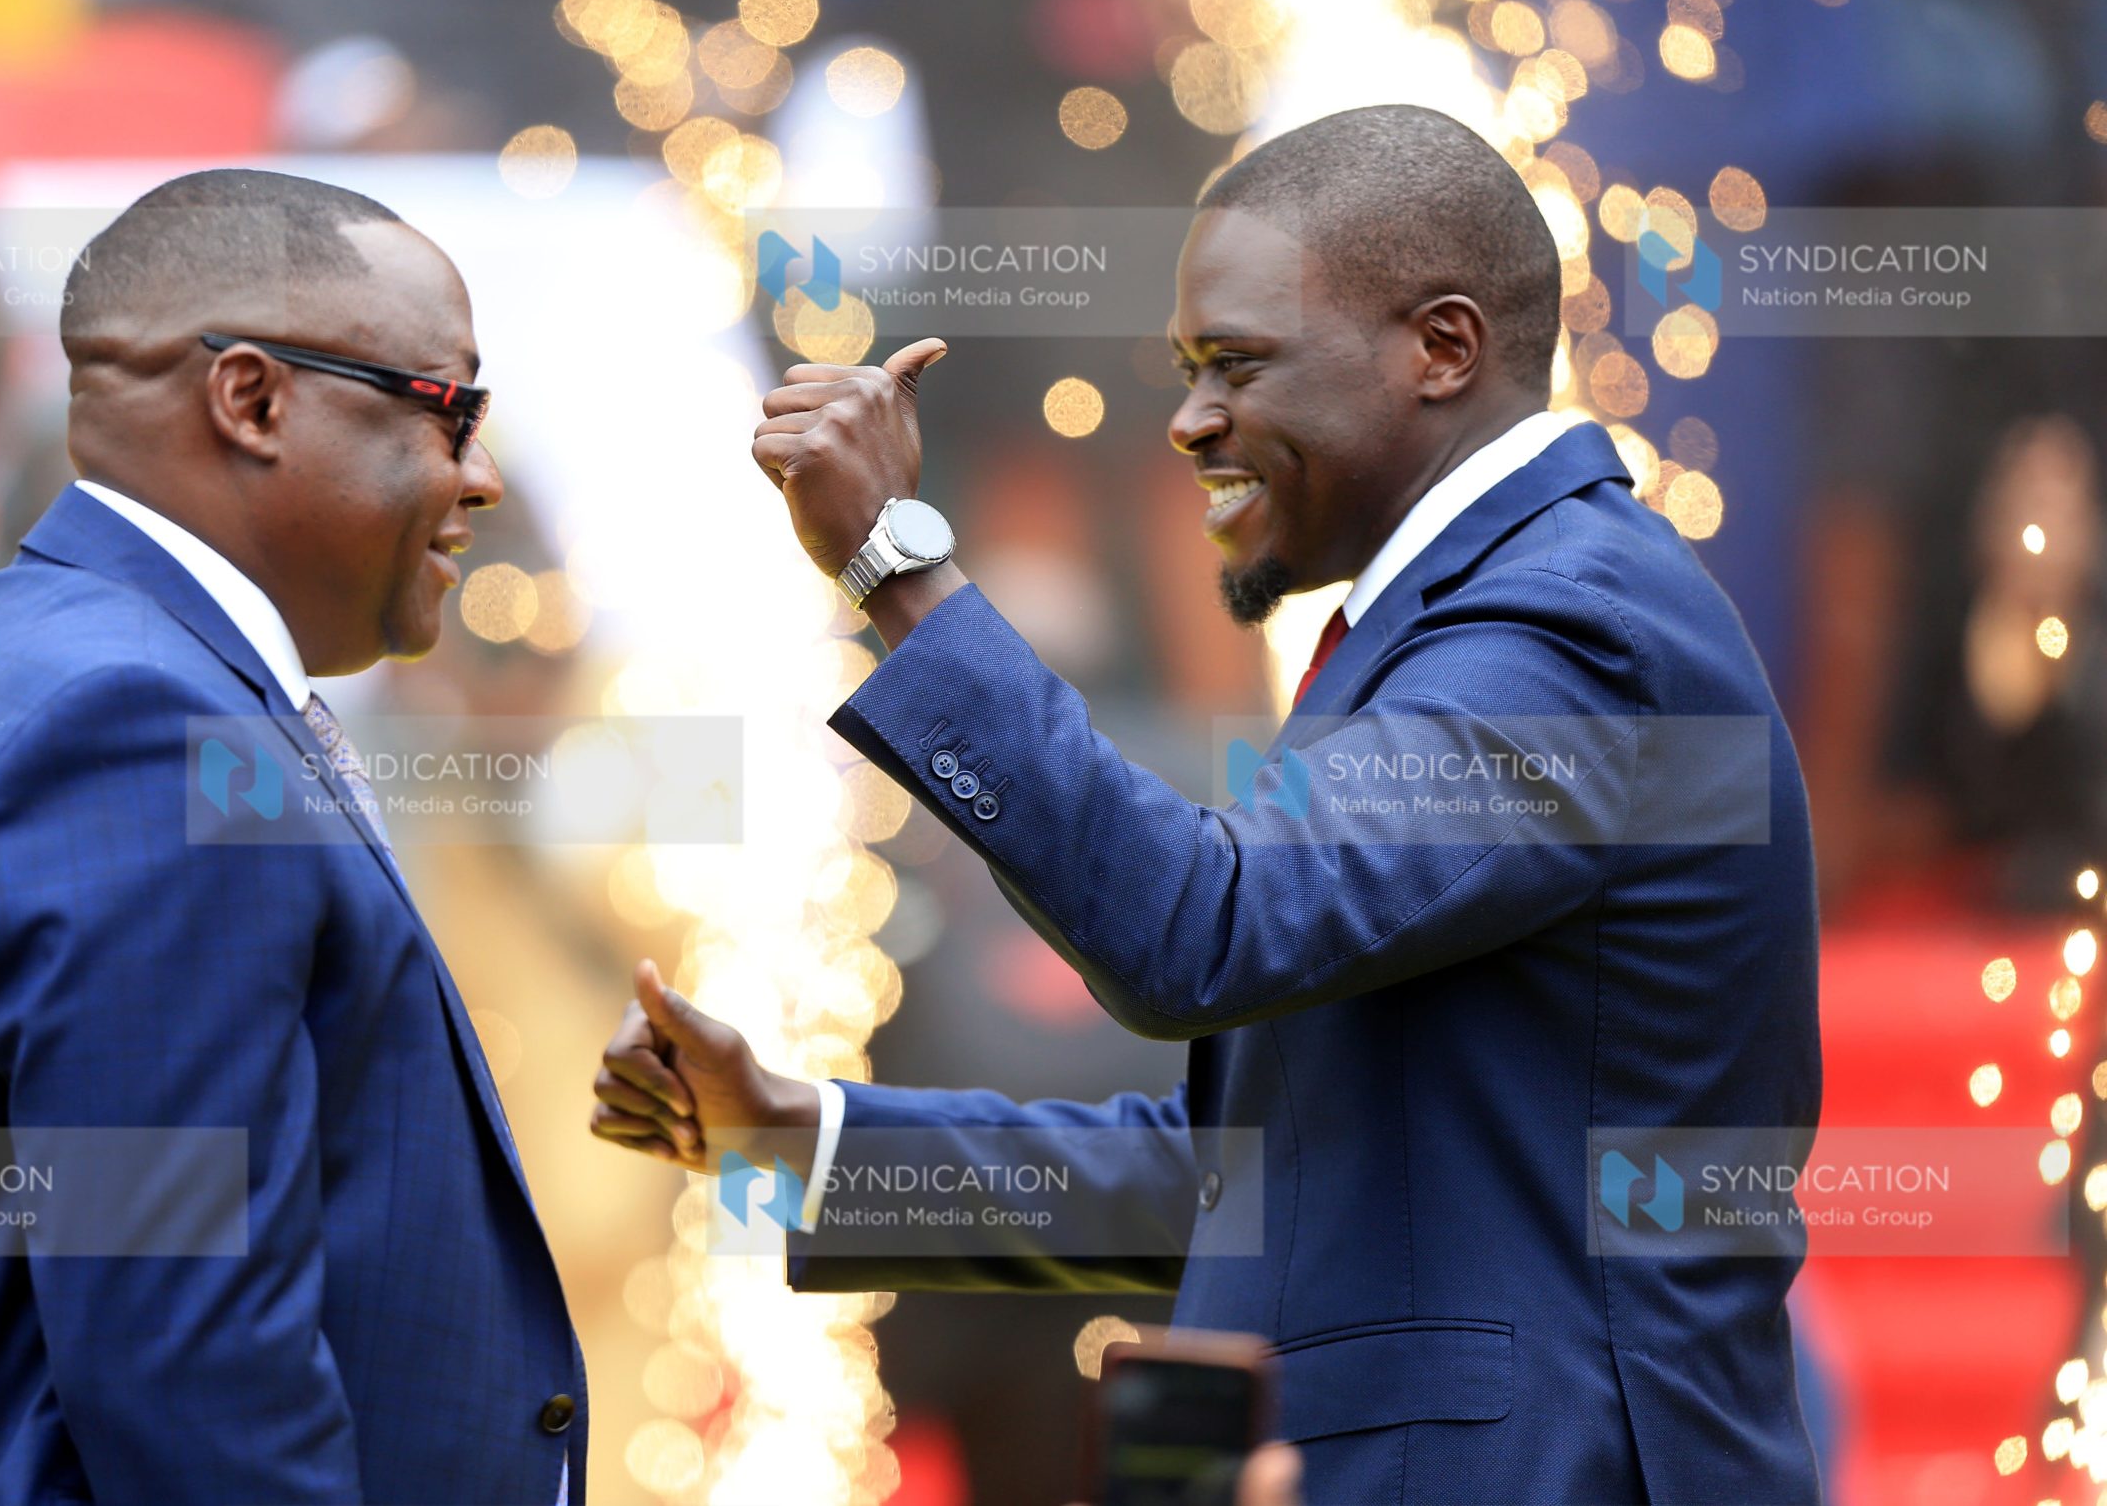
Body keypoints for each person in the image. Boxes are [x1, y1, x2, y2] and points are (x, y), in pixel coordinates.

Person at [592, 105, 1822, 1503]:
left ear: (1443, 350)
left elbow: (1202, 932)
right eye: (1185, 371)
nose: (1188, 423)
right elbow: (1254, 1173)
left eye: (1237, 367)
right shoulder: (1457, 631)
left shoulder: (1570, 634)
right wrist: (808, 1142)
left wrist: (895, 566)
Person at [0, 169, 587, 1503]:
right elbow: (189, 1380)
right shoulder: (141, 728)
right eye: (449, 410)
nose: (478, 478)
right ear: (252, 401)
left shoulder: (119, 671)